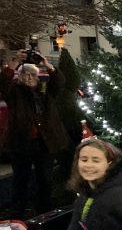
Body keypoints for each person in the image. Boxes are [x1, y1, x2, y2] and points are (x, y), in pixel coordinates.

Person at [0, 52, 70, 216]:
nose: (29, 77)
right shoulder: (14, 92)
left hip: (44, 143)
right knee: (20, 181)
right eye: (25, 74)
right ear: (20, 76)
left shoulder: (45, 91)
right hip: (21, 143)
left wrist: (48, 65)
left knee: (45, 180)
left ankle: (45, 214)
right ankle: (18, 215)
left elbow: (60, 82)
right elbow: (3, 84)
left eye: (33, 74)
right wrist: (13, 64)